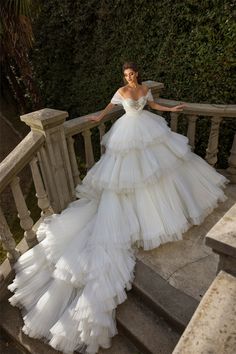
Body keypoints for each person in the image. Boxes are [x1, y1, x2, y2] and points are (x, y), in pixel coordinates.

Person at [8, 62, 228, 354]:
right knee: (130, 179)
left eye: (132, 74)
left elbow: (155, 106)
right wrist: (95, 117)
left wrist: (172, 111)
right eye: (126, 76)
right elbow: (105, 112)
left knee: (158, 174)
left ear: (137, 73)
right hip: (127, 133)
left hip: (148, 129)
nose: (130, 78)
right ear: (123, 78)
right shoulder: (121, 92)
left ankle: (154, 215)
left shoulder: (144, 90)